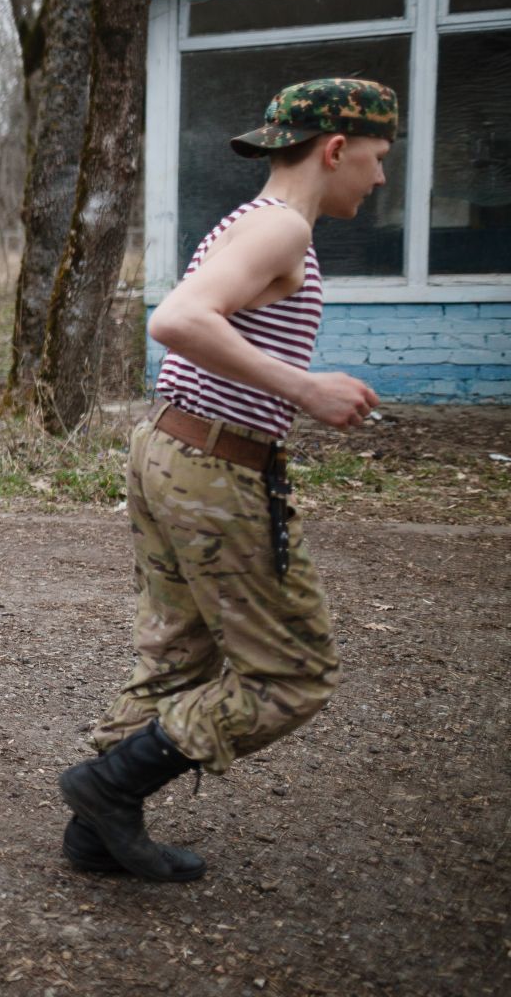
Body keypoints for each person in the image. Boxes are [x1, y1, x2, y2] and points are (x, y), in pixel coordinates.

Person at [58, 78, 393, 882]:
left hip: (175, 449)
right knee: (294, 673)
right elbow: (176, 319)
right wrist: (305, 388)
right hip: (213, 465)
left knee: (179, 658)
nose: (380, 179)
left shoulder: (257, 223)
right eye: (378, 159)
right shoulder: (279, 229)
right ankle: (110, 785)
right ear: (336, 148)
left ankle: (96, 833)